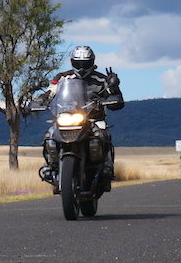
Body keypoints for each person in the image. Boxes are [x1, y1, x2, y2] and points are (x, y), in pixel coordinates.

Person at [38, 46, 124, 188]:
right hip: (67, 117)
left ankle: (107, 168)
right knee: (50, 135)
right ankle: (50, 166)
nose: (82, 67)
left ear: (92, 62)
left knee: (103, 135)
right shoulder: (62, 77)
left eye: (85, 63)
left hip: (93, 119)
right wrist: (40, 100)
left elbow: (114, 97)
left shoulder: (101, 79)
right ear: (72, 62)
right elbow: (50, 91)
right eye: (79, 64)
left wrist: (114, 88)